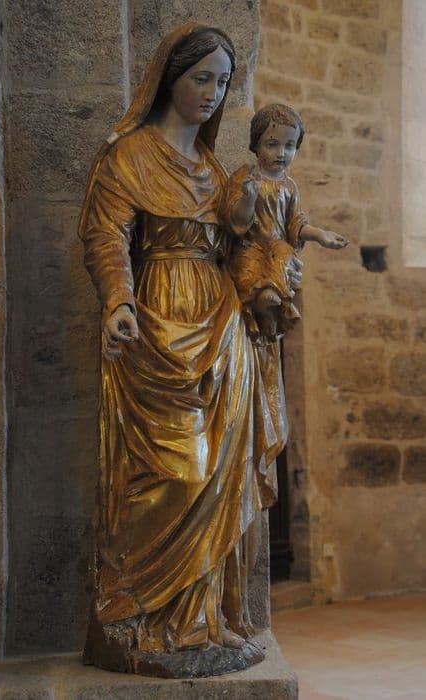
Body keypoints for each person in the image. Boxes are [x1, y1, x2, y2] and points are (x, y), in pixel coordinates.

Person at [78, 24, 297, 677]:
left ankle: (203, 621)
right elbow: (106, 236)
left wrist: (271, 278)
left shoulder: (215, 170)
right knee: (174, 473)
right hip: (155, 323)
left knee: (219, 476)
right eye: (201, 77)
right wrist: (118, 301)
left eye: (223, 82)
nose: (212, 92)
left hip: (222, 333)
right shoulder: (128, 156)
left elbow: (244, 245)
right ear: (169, 77)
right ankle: (143, 617)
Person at [225, 103, 348, 341]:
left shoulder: (289, 186)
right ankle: (263, 306)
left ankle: (271, 302)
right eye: (272, 144)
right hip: (250, 245)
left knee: (285, 258)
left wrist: (320, 234)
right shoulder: (245, 177)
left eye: (289, 145)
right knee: (247, 268)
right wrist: (249, 198)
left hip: (277, 245)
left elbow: (296, 222)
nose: (281, 153)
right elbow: (235, 220)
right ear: (256, 145)